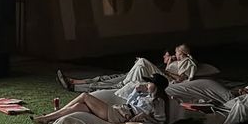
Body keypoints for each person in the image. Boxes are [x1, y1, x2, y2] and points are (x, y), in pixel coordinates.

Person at [33, 74, 169, 124]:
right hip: (120, 109)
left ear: (157, 86)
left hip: (121, 117)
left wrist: (144, 117)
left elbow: (161, 122)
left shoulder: (159, 102)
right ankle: (49, 119)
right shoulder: (144, 94)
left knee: (85, 96)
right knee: (78, 106)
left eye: (150, 82)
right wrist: (136, 91)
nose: (147, 83)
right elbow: (129, 102)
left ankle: (48, 116)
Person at [57, 44, 197, 92]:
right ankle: (75, 83)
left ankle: (75, 85)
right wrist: (168, 65)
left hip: (166, 81)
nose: (174, 55)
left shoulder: (186, 63)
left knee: (141, 62)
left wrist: (166, 70)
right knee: (110, 79)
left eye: (177, 53)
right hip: (159, 77)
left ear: (182, 53)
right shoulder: (176, 62)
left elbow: (181, 79)